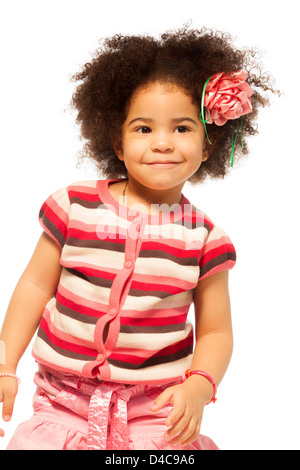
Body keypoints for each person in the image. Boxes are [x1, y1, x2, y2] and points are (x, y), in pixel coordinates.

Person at [0, 26, 277, 450]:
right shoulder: (73, 206)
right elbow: (35, 287)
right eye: (144, 129)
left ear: (208, 144)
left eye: (182, 128)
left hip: (155, 411)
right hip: (63, 405)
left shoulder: (205, 239)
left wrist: (200, 384)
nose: (163, 143)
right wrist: (6, 365)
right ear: (117, 140)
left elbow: (216, 332)